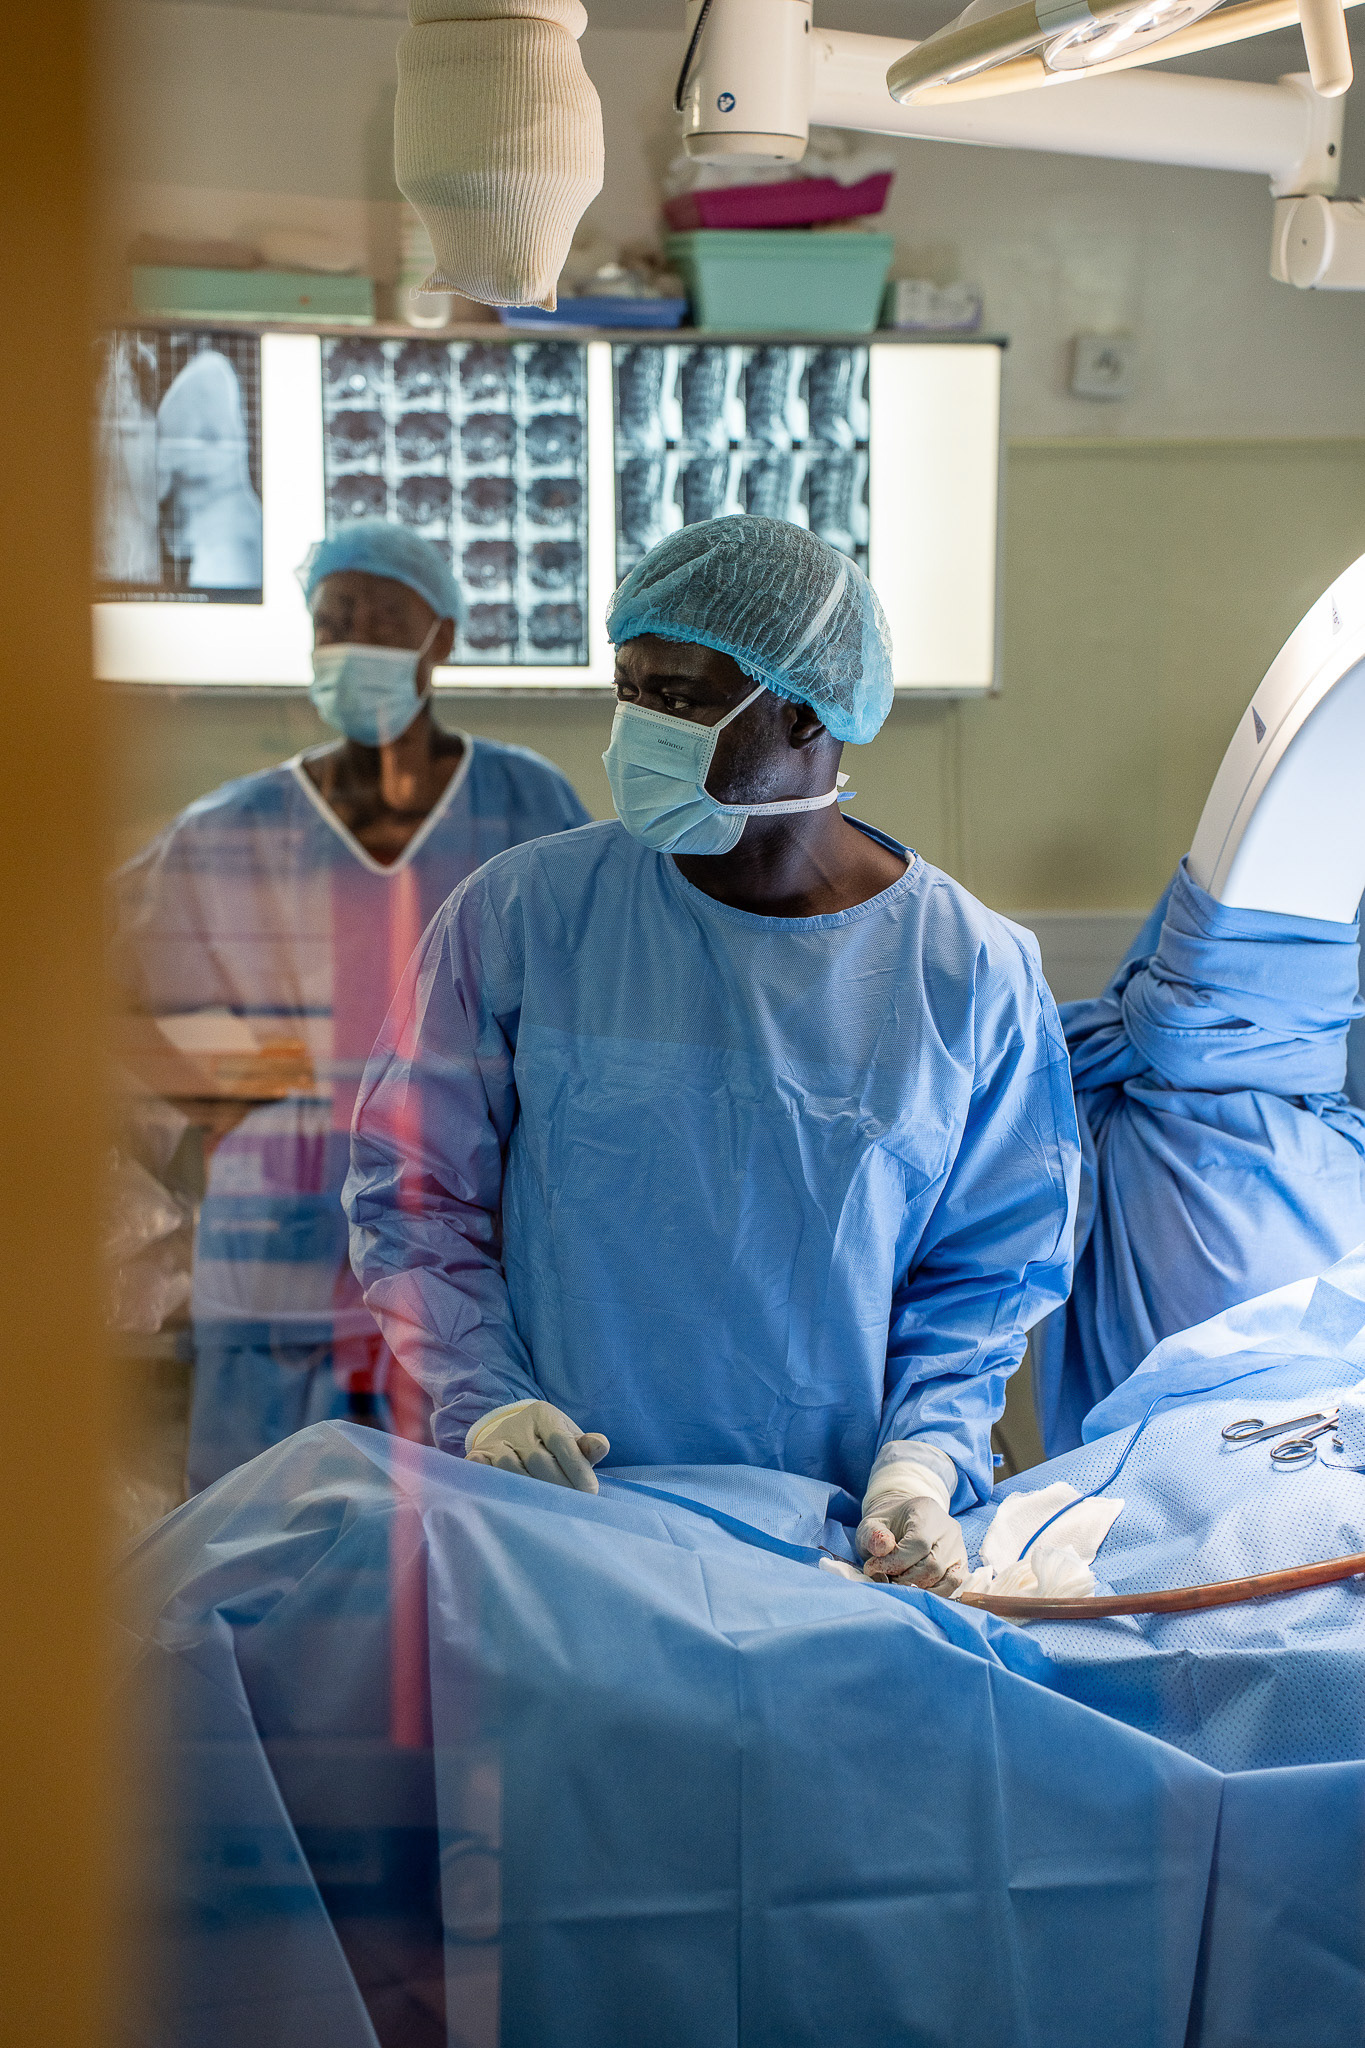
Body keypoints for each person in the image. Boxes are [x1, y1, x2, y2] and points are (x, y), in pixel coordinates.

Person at [344, 517, 1079, 1592]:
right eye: (627, 688)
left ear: (803, 711)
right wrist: (486, 1396)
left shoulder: (969, 974)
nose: (636, 727)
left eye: (679, 699)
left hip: (830, 1545)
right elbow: (414, 1196)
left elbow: (986, 1274)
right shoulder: (525, 917)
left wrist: (922, 1463)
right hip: (565, 1521)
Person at [112, 518, 590, 1491]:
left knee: (460, 1524)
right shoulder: (234, 828)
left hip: (464, 1219)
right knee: (262, 1527)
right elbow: (99, 977)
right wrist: (218, 1094)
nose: (352, 641)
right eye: (334, 620)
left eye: (382, 618)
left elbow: (594, 992)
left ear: (440, 638)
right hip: (280, 1227)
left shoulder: (526, 806)